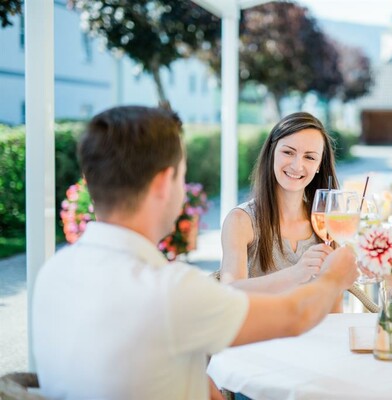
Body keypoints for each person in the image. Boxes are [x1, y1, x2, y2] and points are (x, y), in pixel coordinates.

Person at [31, 106, 357, 400]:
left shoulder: (53, 273)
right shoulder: (170, 290)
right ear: (164, 183)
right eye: (183, 175)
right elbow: (295, 316)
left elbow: (185, 373)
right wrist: (333, 278)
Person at [220, 112, 339, 295]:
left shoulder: (325, 222)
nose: (297, 165)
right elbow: (229, 293)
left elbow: (333, 302)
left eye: (310, 157)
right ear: (272, 154)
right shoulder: (241, 221)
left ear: (318, 166)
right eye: (288, 152)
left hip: (317, 325)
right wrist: (296, 273)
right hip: (261, 324)